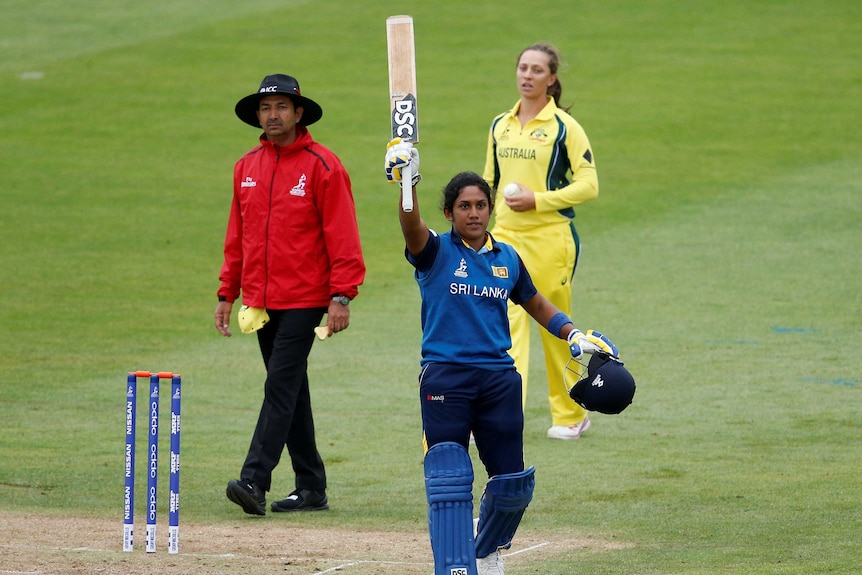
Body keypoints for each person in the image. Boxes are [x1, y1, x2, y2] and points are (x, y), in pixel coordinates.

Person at [384, 139, 617, 575]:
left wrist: (573, 335)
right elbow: (410, 225)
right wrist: (406, 185)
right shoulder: (435, 252)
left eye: (480, 205)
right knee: (449, 478)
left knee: (512, 485)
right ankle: (454, 567)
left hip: (499, 381)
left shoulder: (506, 257)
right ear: (449, 213)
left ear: (490, 210)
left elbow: (535, 302)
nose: (473, 213)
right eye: (464, 206)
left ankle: (486, 549)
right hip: (446, 379)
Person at [214, 74, 366, 515]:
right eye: (266, 108)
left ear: (299, 114)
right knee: (292, 391)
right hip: (261, 300)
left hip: (305, 298)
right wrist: (228, 291)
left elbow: (343, 234)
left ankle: (253, 480)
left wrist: (342, 296)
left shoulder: (323, 165)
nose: (273, 115)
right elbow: (236, 235)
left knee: (279, 386)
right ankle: (312, 486)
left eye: (282, 107)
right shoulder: (246, 167)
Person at [483, 43, 600, 440]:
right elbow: (489, 182)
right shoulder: (500, 124)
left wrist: (538, 201)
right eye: (522, 68)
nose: (527, 75)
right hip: (505, 238)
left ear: (552, 78)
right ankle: (504, 414)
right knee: (504, 326)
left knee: (554, 328)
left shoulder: (564, 127)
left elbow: (589, 185)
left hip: (551, 239)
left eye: (537, 70)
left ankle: (571, 415)